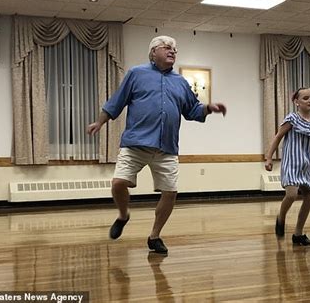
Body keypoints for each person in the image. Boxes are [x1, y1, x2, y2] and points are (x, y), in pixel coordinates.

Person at [87, 35, 227, 254]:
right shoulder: (136, 74)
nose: (172, 51)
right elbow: (116, 101)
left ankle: (154, 236)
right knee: (117, 183)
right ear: (153, 52)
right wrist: (100, 121)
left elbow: (192, 110)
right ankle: (123, 215)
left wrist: (209, 108)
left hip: (167, 148)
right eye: (167, 47)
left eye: (175, 49)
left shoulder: (180, 82)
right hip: (135, 143)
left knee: (170, 193)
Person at [264, 87, 310, 246]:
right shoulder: (292, 119)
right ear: (296, 102)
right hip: (291, 163)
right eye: (305, 98)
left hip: (306, 164)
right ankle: (281, 217)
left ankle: (298, 234)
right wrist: (269, 157)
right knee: (291, 194)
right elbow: (278, 137)